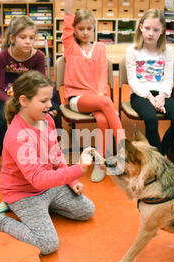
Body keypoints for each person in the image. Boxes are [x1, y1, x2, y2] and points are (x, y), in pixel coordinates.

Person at [0, 70, 95, 255]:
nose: (50, 105)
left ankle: (44, 209)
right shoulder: (17, 136)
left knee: (86, 210)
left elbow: (55, 154)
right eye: (43, 101)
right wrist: (77, 170)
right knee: (47, 244)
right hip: (24, 193)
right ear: (24, 101)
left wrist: (71, 181)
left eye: (50, 100)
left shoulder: (47, 120)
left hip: (48, 187)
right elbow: (37, 179)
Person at [62, 0, 125, 182]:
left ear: (93, 29)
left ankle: (100, 163)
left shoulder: (100, 48)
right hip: (76, 98)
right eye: (81, 28)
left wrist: (100, 93)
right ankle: (124, 148)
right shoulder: (71, 47)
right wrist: (68, 6)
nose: (85, 32)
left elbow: (102, 75)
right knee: (106, 104)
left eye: (89, 28)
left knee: (103, 119)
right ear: (75, 30)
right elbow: (66, 25)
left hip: (96, 97)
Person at [0, 15, 60, 155]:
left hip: (32, 98)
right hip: (9, 98)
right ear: (12, 39)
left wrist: (34, 103)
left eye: (31, 37)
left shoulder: (39, 56)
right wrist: (14, 103)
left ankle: (49, 151)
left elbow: (41, 85)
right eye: (23, 37)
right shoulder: (2, 57)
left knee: (53, 112)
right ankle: (7, 153)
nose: (28, 42)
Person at [126, 8, 174, 159]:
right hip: (140, 95)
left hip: (161, 93)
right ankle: (159, 159)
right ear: (140, 27)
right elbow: (132, 81)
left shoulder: (167, 51)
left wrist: (162, 95)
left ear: (163, 31)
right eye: (147, 28)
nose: (151, 33)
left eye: (156, 29)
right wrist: (149, 98)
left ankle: (161, 153)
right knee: (151, 119)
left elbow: (168, 79)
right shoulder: (132, 51)